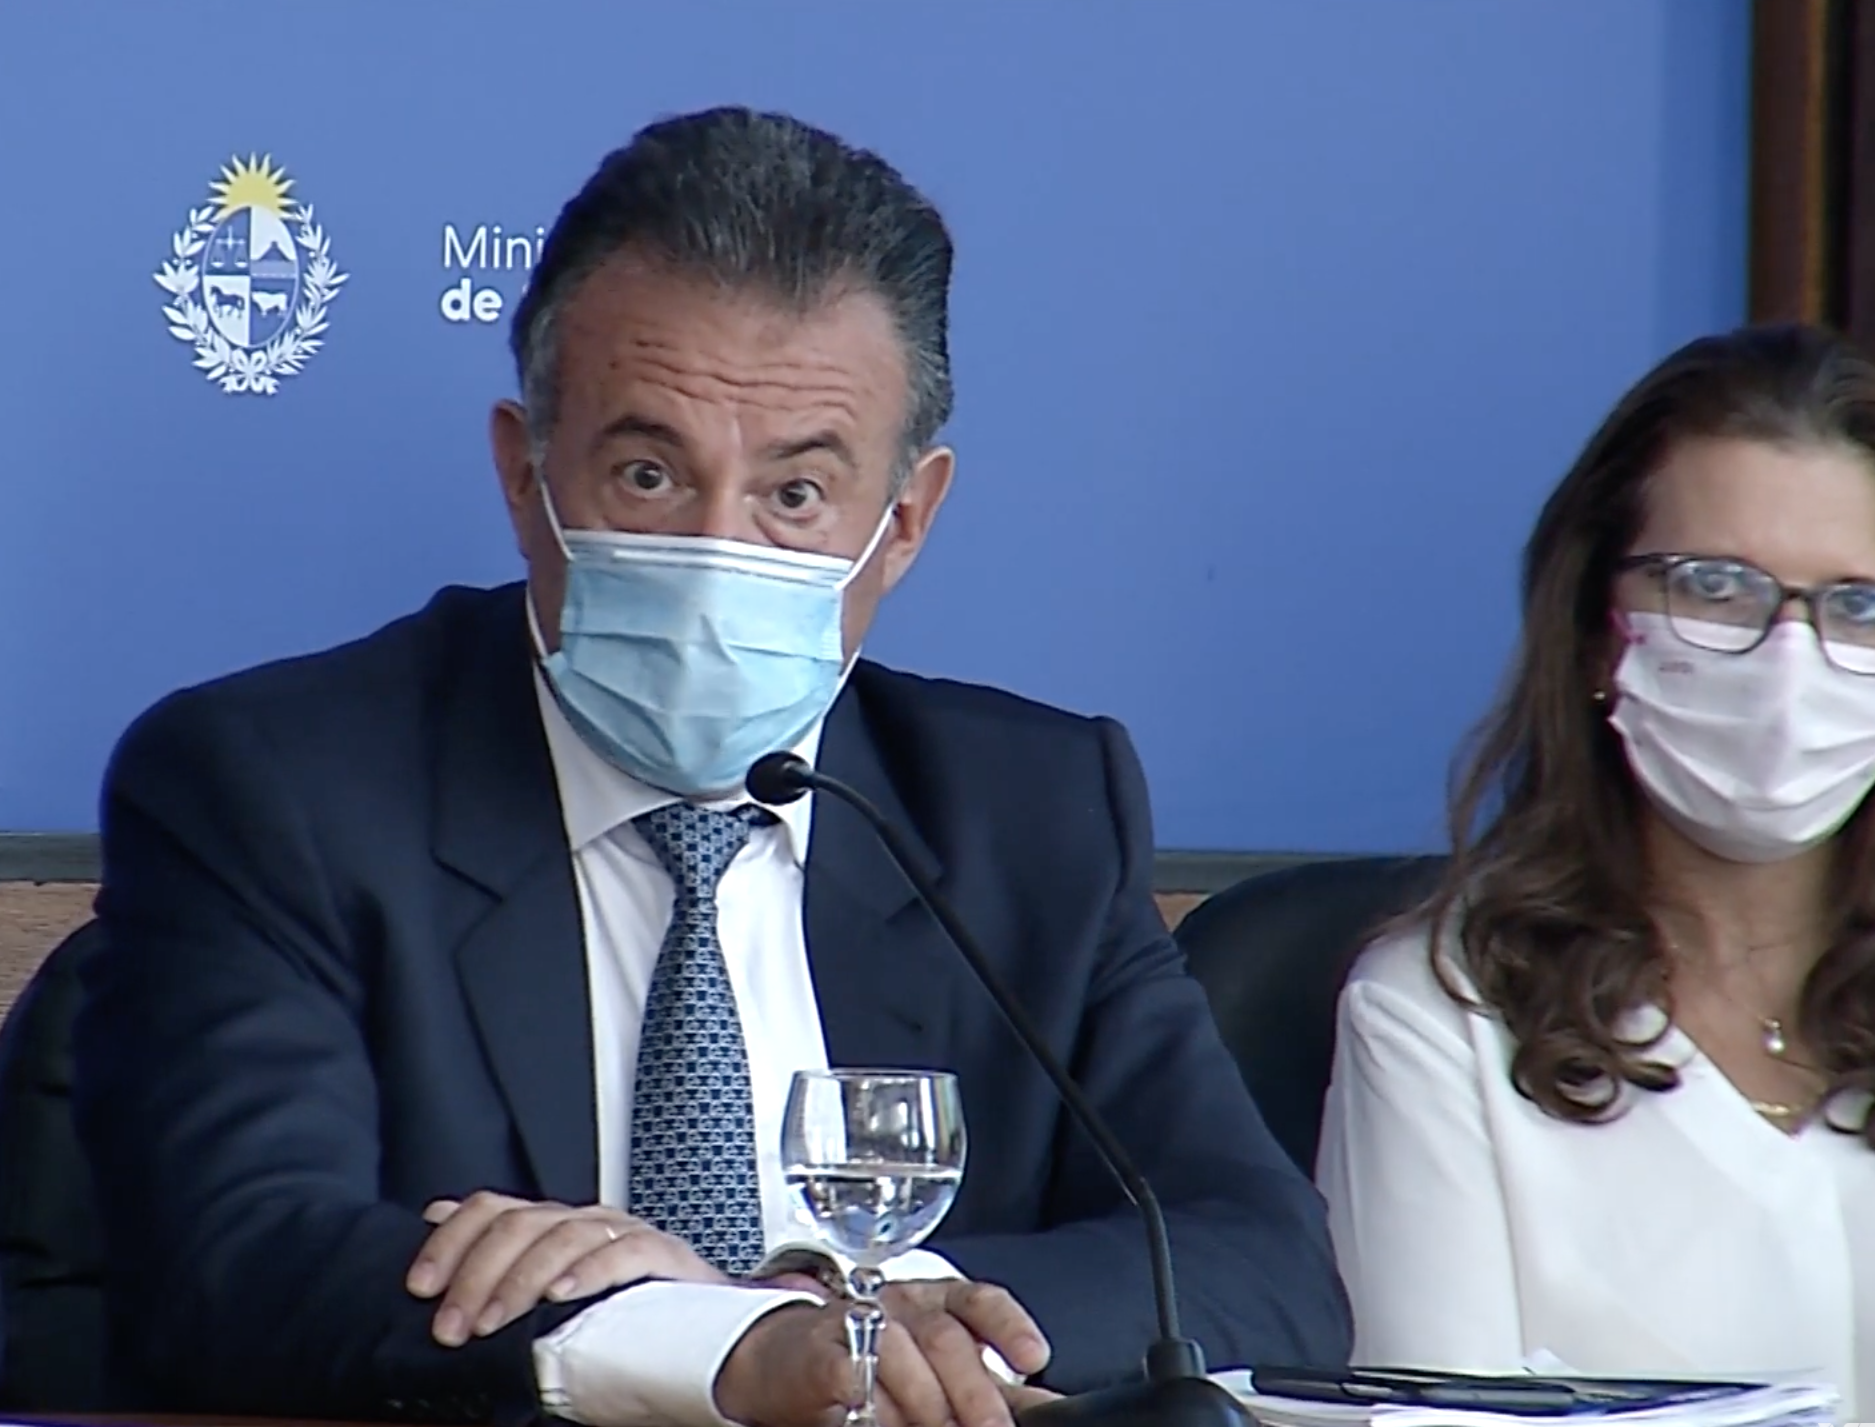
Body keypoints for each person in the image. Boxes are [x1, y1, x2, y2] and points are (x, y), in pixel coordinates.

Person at [73, 105, 1348, 1427]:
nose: (711, 549)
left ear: (904, 521)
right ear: (523, 472)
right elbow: (234, 1262)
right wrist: (709, 1345)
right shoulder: (274, 787)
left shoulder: (1029, 813)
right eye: (646, 473)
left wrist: (854, 1313)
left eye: (794, 495)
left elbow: (1259, 1263)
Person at [1317, 324, 1875, 1420]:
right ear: (1593, 631)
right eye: (1715, 587)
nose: (1789, 660)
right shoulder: (1438, 1017)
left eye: (1859, 605)